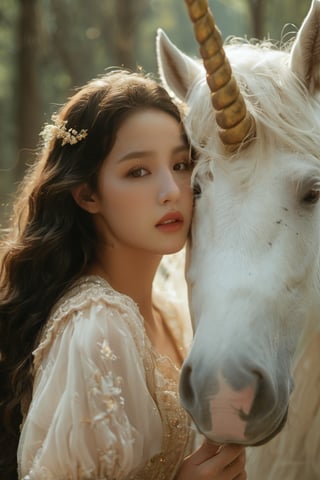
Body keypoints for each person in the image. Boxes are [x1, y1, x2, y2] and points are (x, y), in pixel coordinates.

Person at [0, 69, 246, 480]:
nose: (171, 190)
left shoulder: (169, 312)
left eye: (181, 164)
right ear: (88, 194)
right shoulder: (98, 326)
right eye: (138, 171)